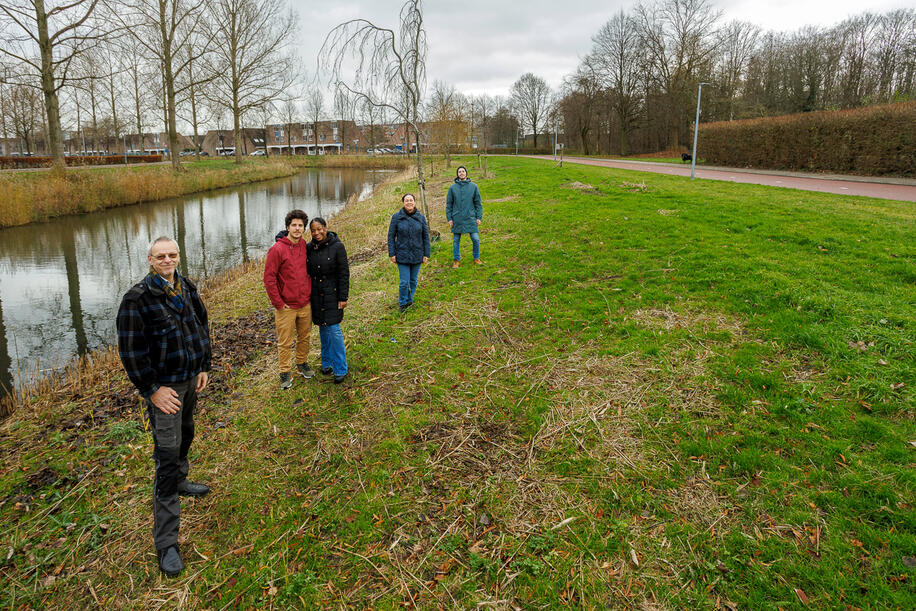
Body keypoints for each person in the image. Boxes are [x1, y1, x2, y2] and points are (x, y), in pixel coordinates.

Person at [117, 236, 212, 578]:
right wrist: (152, 390)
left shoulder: (185, 285)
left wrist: (203, 365)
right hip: (165, 390)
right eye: (161, 256)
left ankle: (183, 481)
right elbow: (131, 352)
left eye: (172, 254)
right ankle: (166, 542)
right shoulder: (137, 299)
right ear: (150, 259)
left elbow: (200, 326)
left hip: (190, 380)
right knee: (167, 456)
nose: (168, 260)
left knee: (186, 434)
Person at [263, 210, 314, 390]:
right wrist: (278, 303)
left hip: (305, 303)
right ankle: (284, 372)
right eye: (294, 225)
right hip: (286, 306)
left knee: (305, 337)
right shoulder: (277, 249)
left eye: (300, 225)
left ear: (304, 228)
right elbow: (269, 278)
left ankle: (302, 363)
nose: (297, 228)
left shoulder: (304, 246)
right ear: (287, 227)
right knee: (285, 342)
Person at [306, 217, 350, 383]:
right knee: (323, 329)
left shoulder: (337, 246)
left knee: (334, 330)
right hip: (316, 295)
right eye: (313, 230)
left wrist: (343, 297)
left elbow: (344, 273)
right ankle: (327, 363)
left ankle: (340, 368)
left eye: (319, 229)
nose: (317, 233)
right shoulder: (309, 248)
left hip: (332, 293)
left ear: (325, 227)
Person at [387, 193, 430, 312]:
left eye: (411, 200)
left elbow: (426, 237)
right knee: (404, 282)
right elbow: (391, 236)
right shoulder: (396, 217)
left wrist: (426, 254)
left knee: (413, 281)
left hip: (417, 253)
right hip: (402, 254)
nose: (409, 202)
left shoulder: (421, 217)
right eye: (407, 200)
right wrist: (392, 253)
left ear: (415, 202)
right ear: (403, 203)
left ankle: (410, 299)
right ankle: (402, 302)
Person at [445, 165, 483, 268]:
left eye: (463, 171)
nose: (461, 173)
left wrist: (478, 217)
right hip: (457, 218)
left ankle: (476, 257)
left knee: (475, 239)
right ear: (457, 174)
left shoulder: (474, 187)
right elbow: (449, 205)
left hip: (470, 217)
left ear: (466, 173)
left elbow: (478, 204)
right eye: (459, 171)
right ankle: (456, 260)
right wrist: (449, 219)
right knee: (456, 240)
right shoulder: (452, 188)